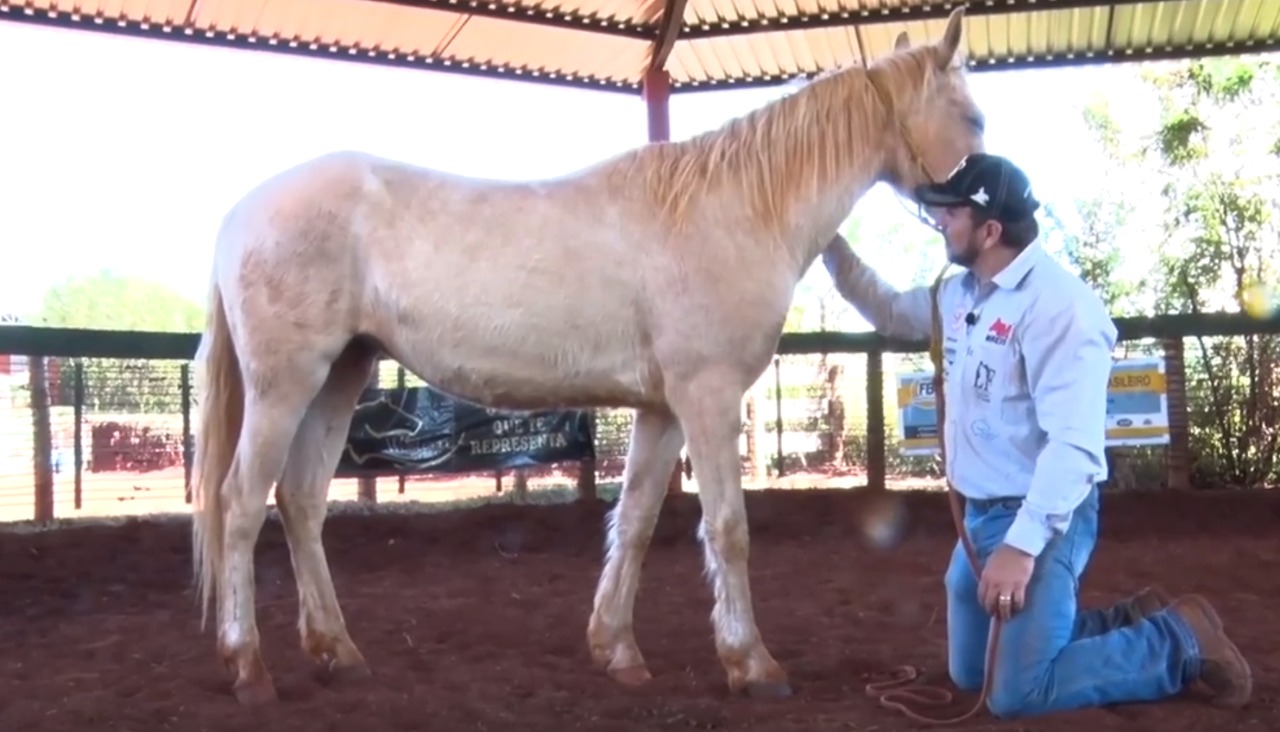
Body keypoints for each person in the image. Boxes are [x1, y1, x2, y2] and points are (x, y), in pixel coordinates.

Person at [821, 152, 1251, 718]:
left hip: (1045, 515)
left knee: (1016, 693)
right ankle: (1126, 621)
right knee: (969, 672)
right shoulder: (961, 295)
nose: (940, 224)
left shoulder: (1060, 307)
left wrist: (1021, 548)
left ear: (990, 229)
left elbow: (1074, 448)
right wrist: (825, 241)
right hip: (980, 516)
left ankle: (1179, 641)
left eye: (951, 215)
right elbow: (889, 312)